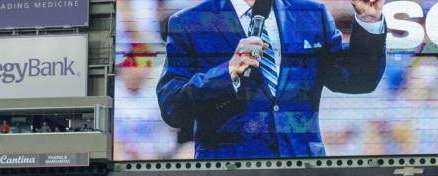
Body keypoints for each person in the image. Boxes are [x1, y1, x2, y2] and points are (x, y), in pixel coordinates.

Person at [156, 0, 387, 159]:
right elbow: (172, 107)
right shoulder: (190, 23)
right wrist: (226, 73)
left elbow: (357, 79)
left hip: (303, 172)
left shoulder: (311, 14)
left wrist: (368, 20)